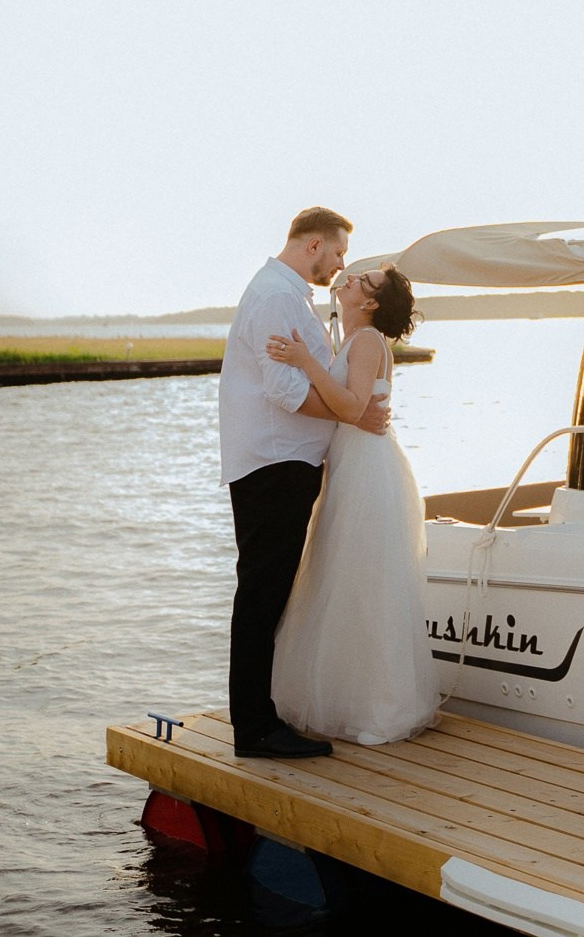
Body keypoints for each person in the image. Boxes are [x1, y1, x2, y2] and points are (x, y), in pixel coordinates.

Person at [218, 206, 387, 759]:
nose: (340, 265)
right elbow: (284, 390)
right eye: (338, 253)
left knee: (268, 592)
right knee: (262, 592)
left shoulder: (287, 295)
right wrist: (350, 415)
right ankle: (255, 728)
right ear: (314, 245)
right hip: (275, 464)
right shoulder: (278, 297)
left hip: (282, 462)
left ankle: (260, 717)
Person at [264, 265, 441, 745]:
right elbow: (354, 409)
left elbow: (349, 406)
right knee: (341, 581)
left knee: (365, 584)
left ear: (371, 303)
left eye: (363, 280)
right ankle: (347, 700)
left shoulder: (365, 343)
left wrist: (305, 361)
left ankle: (379, 709)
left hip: (368, 472)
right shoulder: (352, 339)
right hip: (350, 465)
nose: (350, 278)